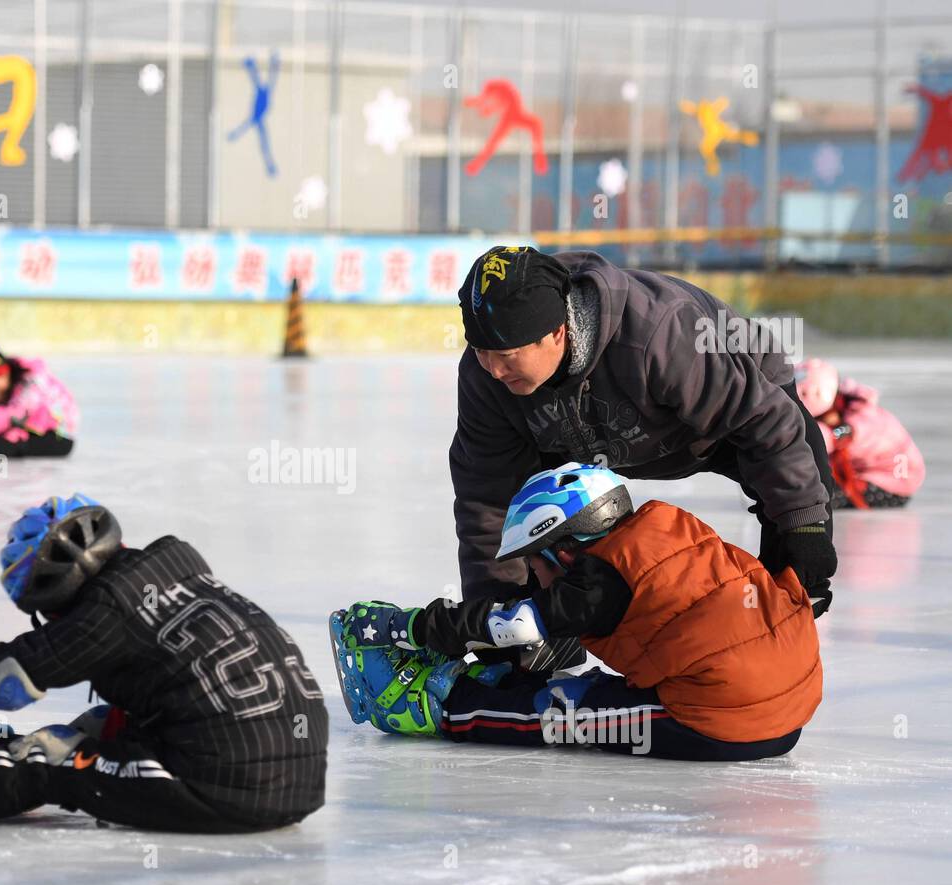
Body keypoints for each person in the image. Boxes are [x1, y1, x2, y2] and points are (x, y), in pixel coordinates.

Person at [0, 494, 328, 831]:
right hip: (295, 773)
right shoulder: (178, 571)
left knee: (51, 757)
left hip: (227, 789)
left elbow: (2, 678)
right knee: (102, 725)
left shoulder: (106, 612)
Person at [333, 463, 821, 761]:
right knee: (591, 688)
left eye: (532, 565)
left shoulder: (600, 581)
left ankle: (443, 706)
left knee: (558, 713)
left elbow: (514, 623)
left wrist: (411, 626)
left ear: (561, 552)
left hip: (726, 721)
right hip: (785, 707)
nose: (534, 579)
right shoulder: (670, 531)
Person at [451, 245, 838, 615]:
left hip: (739, 409)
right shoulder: (485, 378)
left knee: (799, 541)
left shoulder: (658, 335)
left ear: (555, 332)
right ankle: (553, 631)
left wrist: (803, 526)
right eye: (479, 351)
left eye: (505, 356)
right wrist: (496, 610)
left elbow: (764, 421)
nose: (493, 370)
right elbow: (487, 496)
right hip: (595, 438)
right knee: (535, 513)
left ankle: (783, 625)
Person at [794, 358, 925, 510]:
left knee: (818, 498)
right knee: (812, 489)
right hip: (868, 473)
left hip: (894, 481)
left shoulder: (862, 417)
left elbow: (840, 436)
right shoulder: (844, 409)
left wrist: (797, 439)